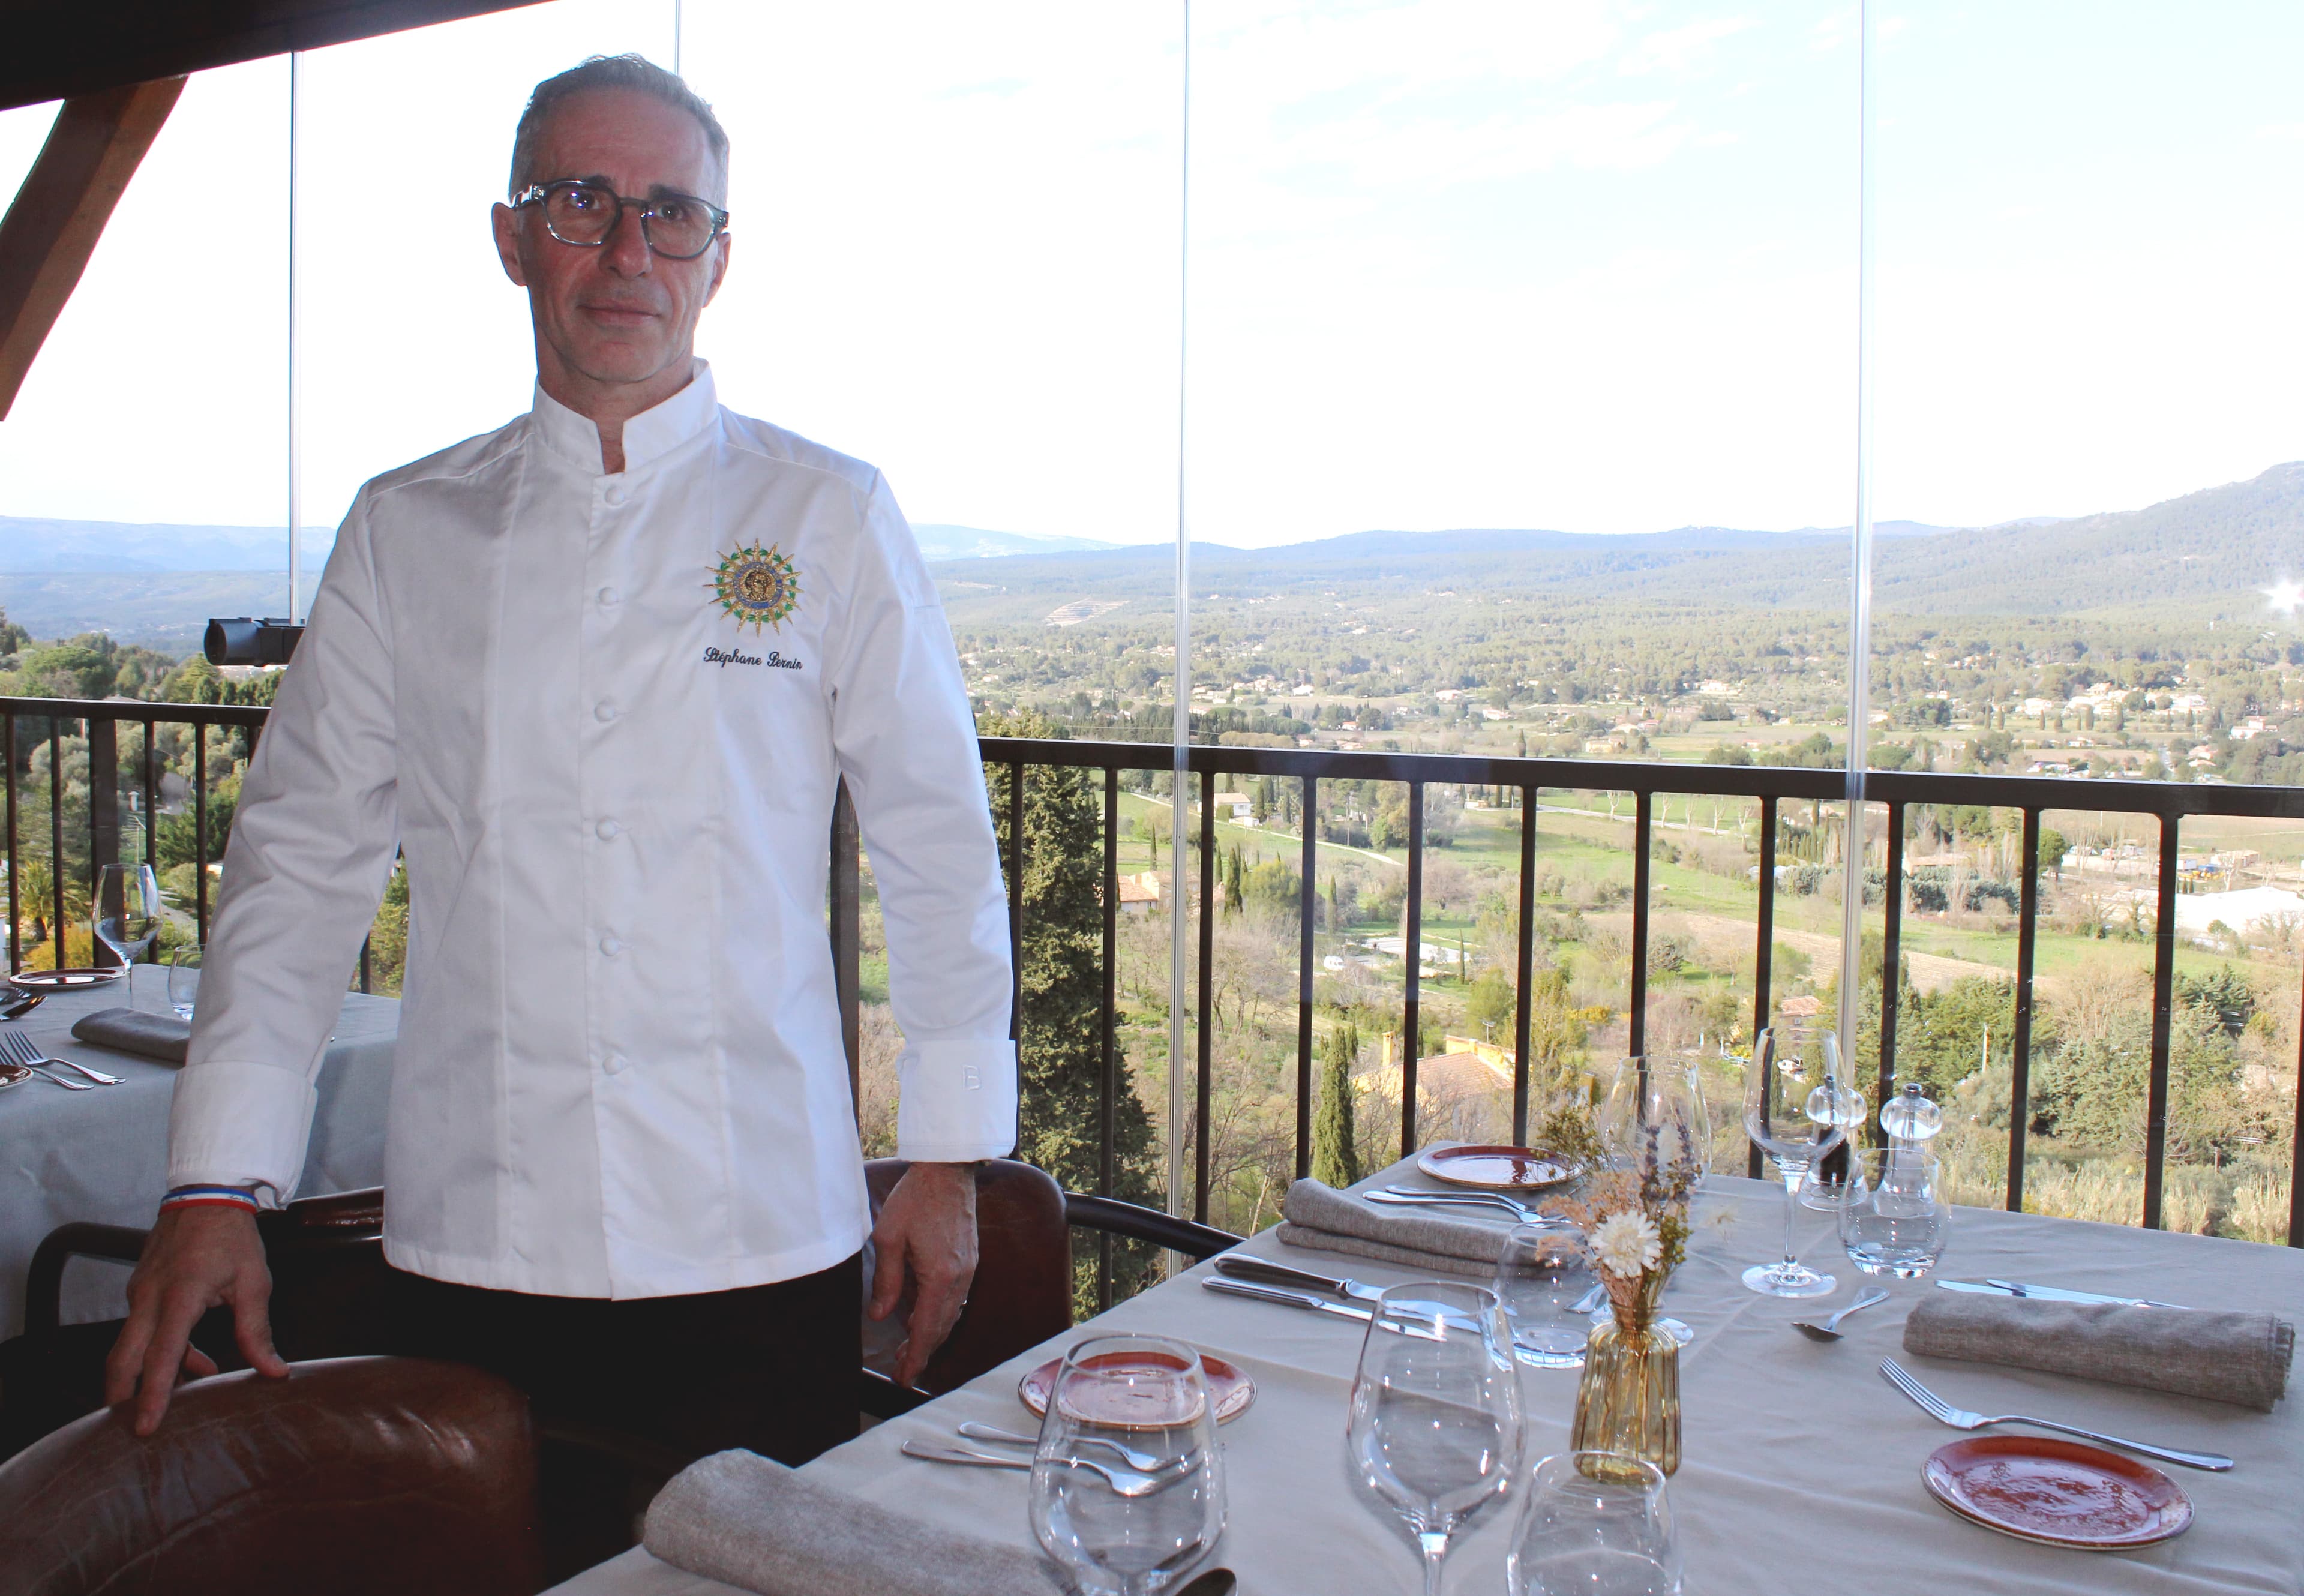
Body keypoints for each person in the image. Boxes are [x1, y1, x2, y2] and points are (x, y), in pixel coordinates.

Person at [105, 54, 1015, 1466]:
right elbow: (298, 866)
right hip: (476, 1235)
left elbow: (939, 844)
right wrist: (215, 1182)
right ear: (513, 235)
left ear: (721, 258)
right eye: (582, 200)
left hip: (760, 1229)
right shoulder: (407, 530)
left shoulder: (827, 514)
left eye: (671, 212)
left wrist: (950, 1157)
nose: (626, 247)